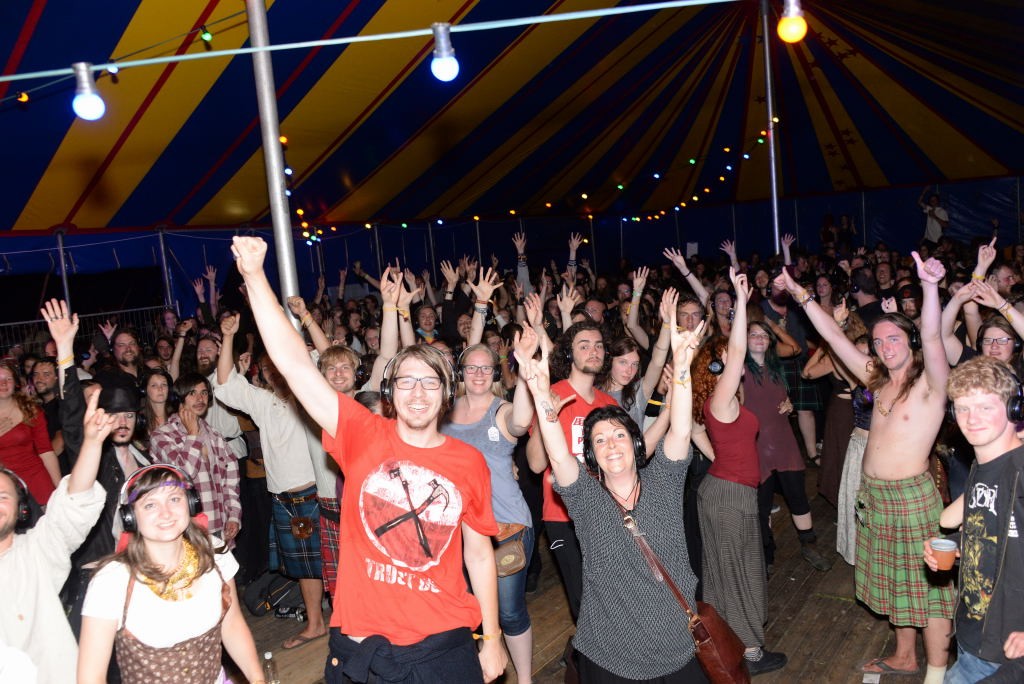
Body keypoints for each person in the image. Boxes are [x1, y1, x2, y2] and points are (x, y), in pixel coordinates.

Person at [230, 236, 507, 683]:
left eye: (431, 383)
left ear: (447, 393)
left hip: (442, 643)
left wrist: (492, 639)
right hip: (361, 645)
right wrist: (255, 276)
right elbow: (295, 364)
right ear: (390, 392)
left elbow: (479, 555)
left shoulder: (468, 461)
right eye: (407, 383)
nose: (418, 393)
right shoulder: (360, 431)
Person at [777, 254, 955, 683]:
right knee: (898, 583)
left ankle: (935, 673)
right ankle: (904, 655)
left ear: (909, 342)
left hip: (913, 499)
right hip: (875, 496)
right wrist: (801, 294)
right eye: (879, 342)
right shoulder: (876, 378)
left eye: (894, 339)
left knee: (929, 592)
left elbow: (932, 336)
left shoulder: (932, 382)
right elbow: (835, 338)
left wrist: (930, 287)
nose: (885, 347)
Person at [519, 302, 710, 682]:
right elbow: (554, 456)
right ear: (592, 455)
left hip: (678, 648)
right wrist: (541, 394)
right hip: (611, 655)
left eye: (619, 435)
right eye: (600, 440)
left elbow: (680, 432)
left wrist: (683, 370)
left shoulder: (664, 485)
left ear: (635, 443)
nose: (611, 444)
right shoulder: (588, 501)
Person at [77, 464, 263, 684]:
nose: (166, 513)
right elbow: (91, 678)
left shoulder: (214, 553)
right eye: (150, 505)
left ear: (191, 503)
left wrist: (257, 679)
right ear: (130, 517)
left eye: (174, 499)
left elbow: (232, 625)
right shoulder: (112, 581)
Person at [693, 269, 787, 676]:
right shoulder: (723, 400)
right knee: (745, 571)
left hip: (721, 489)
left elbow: (696, 430)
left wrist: (720, 459)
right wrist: (742, 303)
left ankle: (722, 641)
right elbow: (734, 355)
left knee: (720, 571)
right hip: (731, 497)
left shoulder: (713, 405)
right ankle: (750, 651)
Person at [0, 379, 110, 683]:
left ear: (21, 510)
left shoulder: (37, 551)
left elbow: (73, 504)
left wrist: (91, 443)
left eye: (3, 496)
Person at [925, 356, 1024, 683]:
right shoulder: (981, 469)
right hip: (973, 634)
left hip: (1006, 652)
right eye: (963, 408)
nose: (971, 419)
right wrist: (954, 546)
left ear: (1014, 409)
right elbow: (992, 535)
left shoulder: (1020, 472)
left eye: (985, 407)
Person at [442, 339, 535, 683]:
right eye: (471, 367)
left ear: (495, 372)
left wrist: (524, 373)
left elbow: (522, 422)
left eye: (485, 367)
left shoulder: (502, 409)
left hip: (504, 526)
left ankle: (524, 679)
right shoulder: (445, 411)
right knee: (468, 614)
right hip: (455, 530)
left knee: (508, 614)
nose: (478, 373)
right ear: (461, 373)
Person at [525, 320, 617, 621]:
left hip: (604, 512)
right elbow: (537, 464)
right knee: (583, 601)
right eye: (584, 345)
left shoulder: (609, 404)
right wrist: (545, 413)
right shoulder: (553, 393)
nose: (594, 351)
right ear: (569, 354)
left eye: (599, 345)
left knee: (608, 595)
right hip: (562, 515)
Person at [743, 319, 832, 573]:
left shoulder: (775, 368)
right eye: (753, 334)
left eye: (764, 335)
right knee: (761, 504)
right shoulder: (738, 370)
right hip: (756, 445)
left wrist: (790, 404)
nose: (759, 339)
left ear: (770, 341)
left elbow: (781, 395)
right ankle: (766, 555)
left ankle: (809, 544)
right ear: (744, 338)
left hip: (783, 441)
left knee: (797, 495)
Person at [149, 372, 241, 546]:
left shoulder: (214, 435)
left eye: (204, 392)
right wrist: (192, 435)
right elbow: (184, 475)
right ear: (180, 398)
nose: (200, 398)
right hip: (186, 531)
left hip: (219, 527)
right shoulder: (162, 436)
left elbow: (231, 481)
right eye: (192, 393)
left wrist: (234, 516)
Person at [0, 359, 59, 504]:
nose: (4, 383)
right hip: (4, 484)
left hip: (35, 479)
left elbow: (46, 451)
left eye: (8, 379)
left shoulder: (30, 410)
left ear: (16, 383)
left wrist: (60, 489)